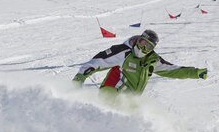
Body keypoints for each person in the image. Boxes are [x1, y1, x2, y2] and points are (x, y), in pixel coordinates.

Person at [72, 30, 208, 95]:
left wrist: (196, 73)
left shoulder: (152, 60)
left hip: (131, 98)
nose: (144, 48)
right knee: (109, 117)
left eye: (148, 46)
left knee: (140, 120)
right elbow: (97, 62)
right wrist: (80, 78)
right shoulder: (124, 51)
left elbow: (174, 70)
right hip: (112, 92)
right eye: (143, 43)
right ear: (138, 40)